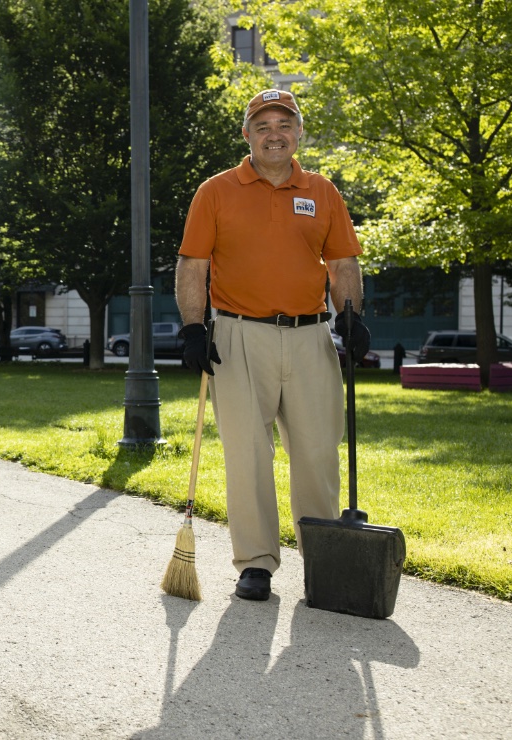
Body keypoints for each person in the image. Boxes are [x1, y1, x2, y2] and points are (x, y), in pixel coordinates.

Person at [174, 89, 371, 601]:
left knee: (316, 455)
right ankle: (256, 563)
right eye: (263, 125)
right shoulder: (216, 191)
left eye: (284, 123)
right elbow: (192, 264)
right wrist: (194, 328)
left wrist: (352, 317)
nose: (274, 133)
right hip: (238, 335)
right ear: (247, 135)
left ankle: (324, 561)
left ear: (299, 132)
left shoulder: (322, 192)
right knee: (247, 454)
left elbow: (343, 263)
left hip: (310, 336)